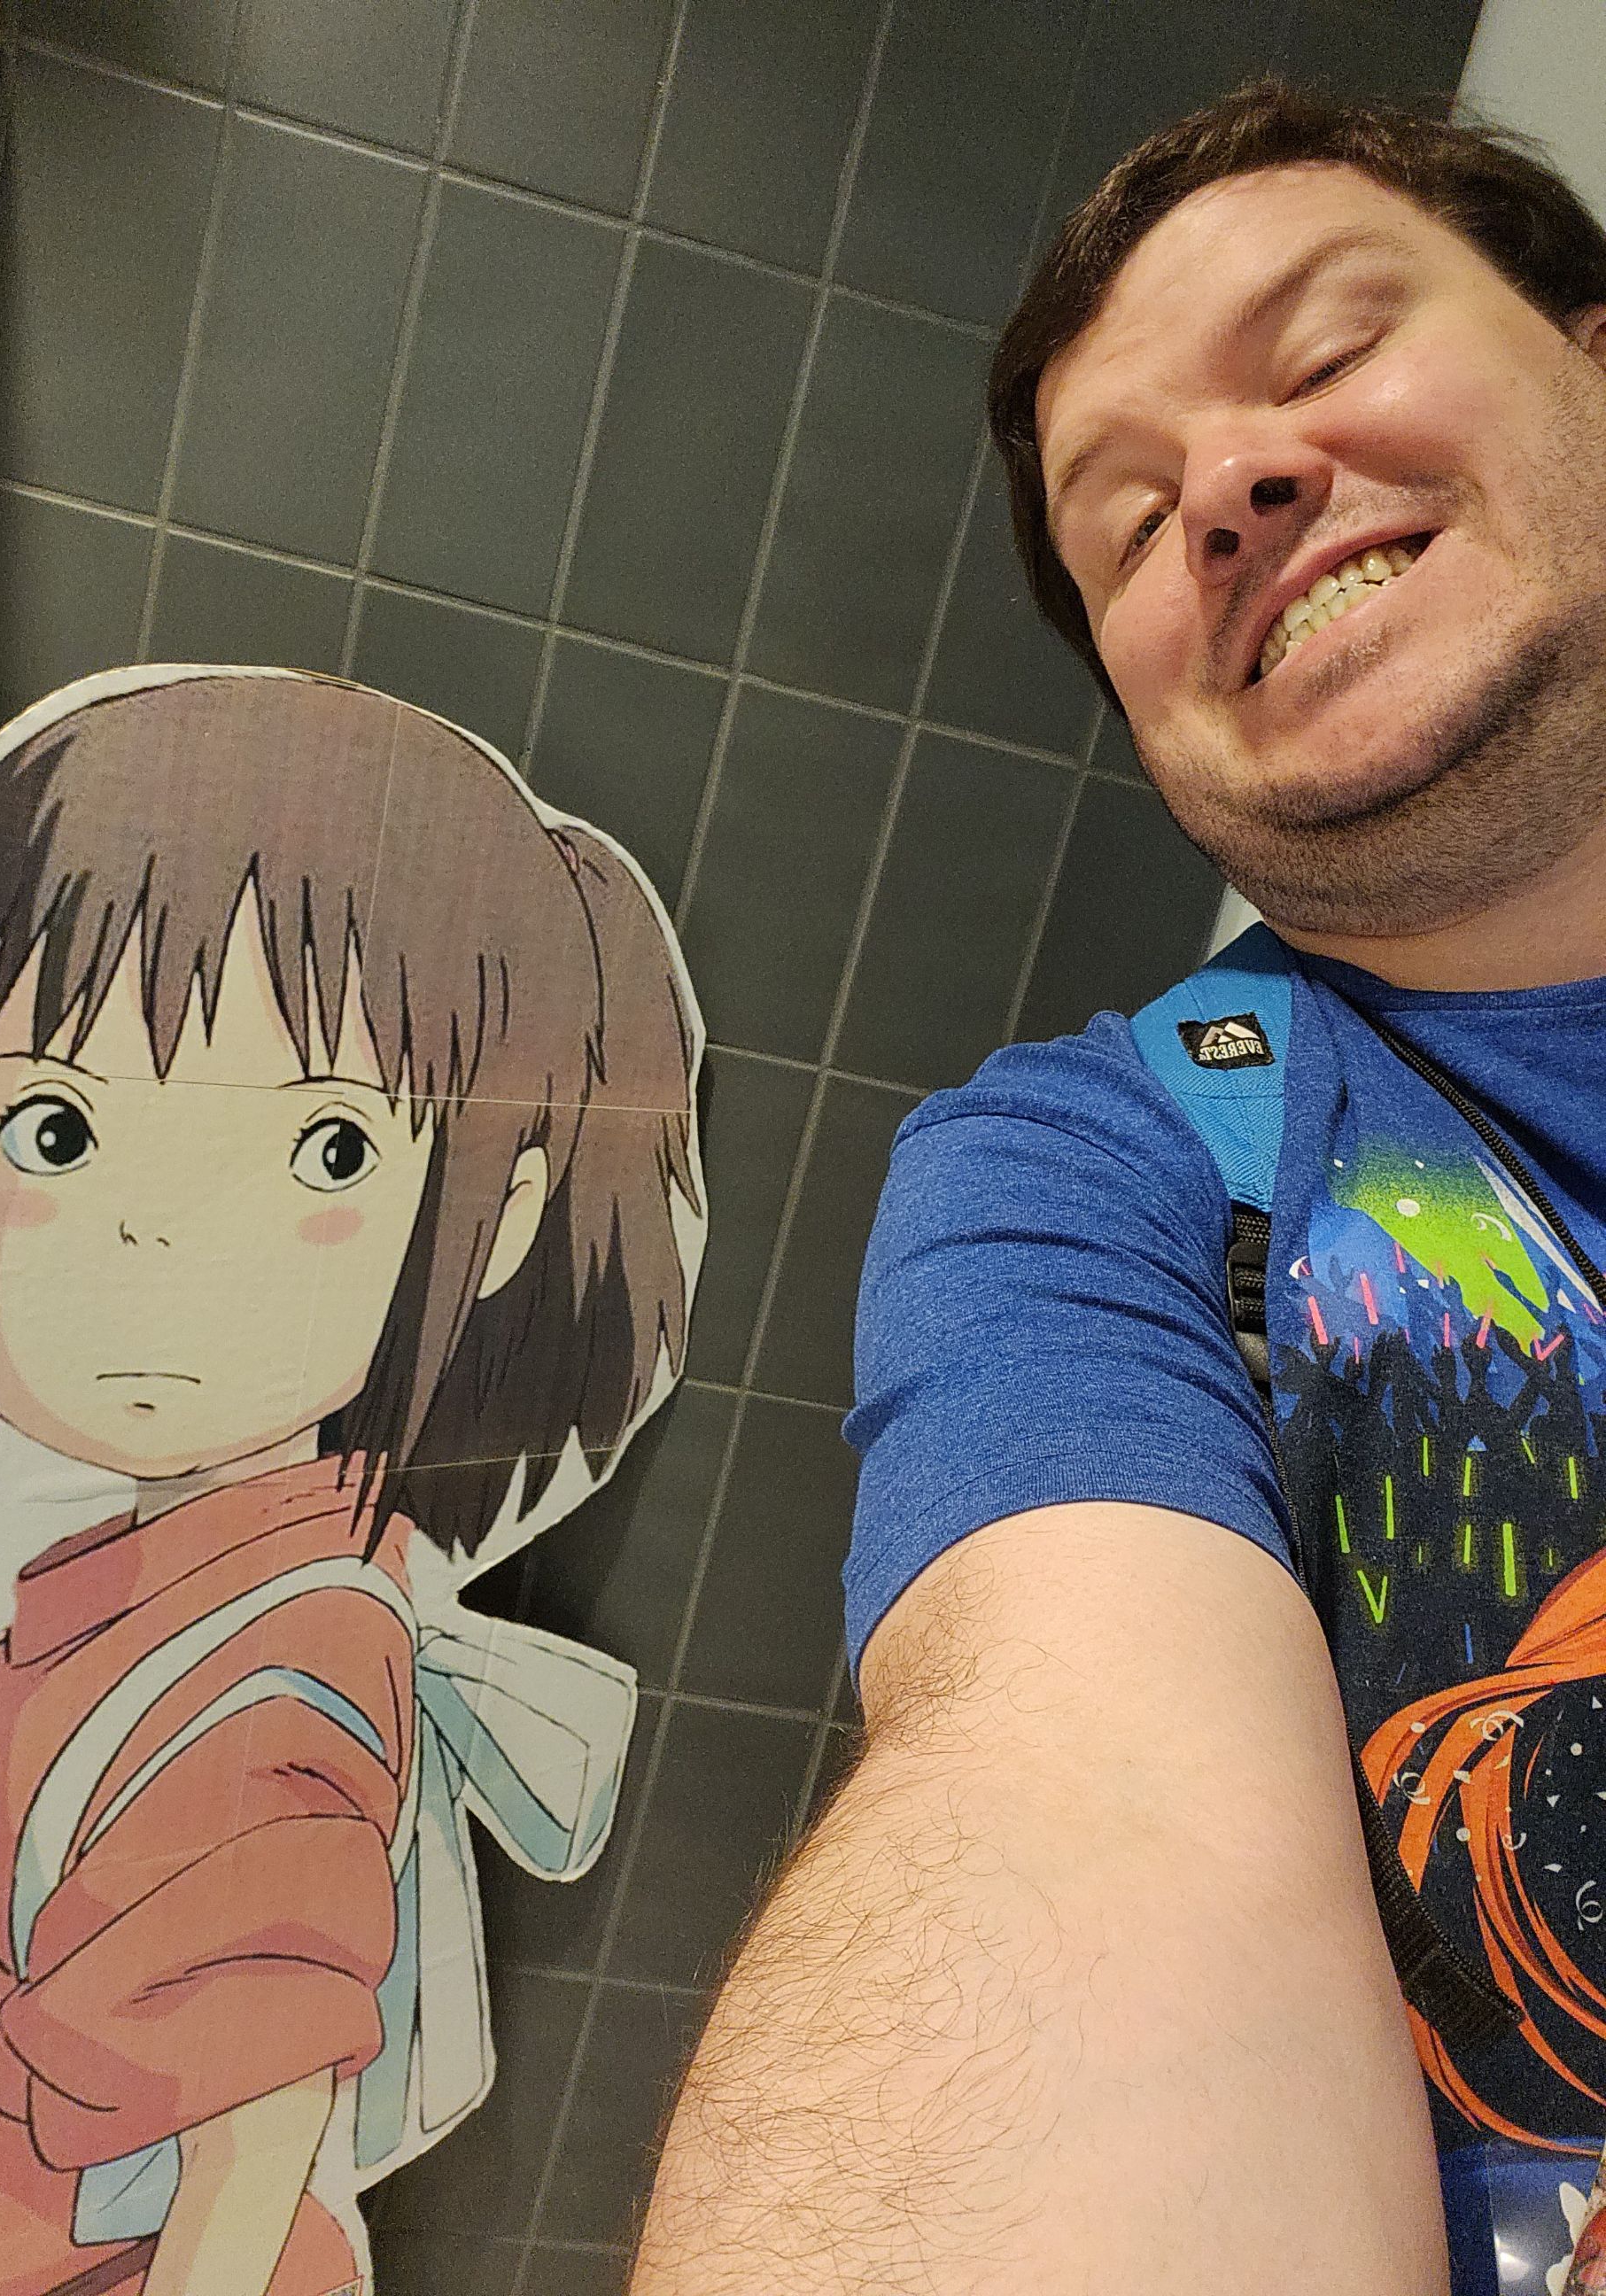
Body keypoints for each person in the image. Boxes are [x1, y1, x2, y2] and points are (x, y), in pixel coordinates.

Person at [629, 77, 1606, 2296]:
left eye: (1330, 349)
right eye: (1134, 521)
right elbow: (1073, 1795)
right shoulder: (1098, 1173)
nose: (1236, 486)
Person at [0, 668, 702, 2296]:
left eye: (328, 1150)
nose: (155, 1234)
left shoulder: (269, 1678)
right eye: (54, 1129)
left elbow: (243, 2176)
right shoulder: (161, 1605)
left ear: (500, 1217)